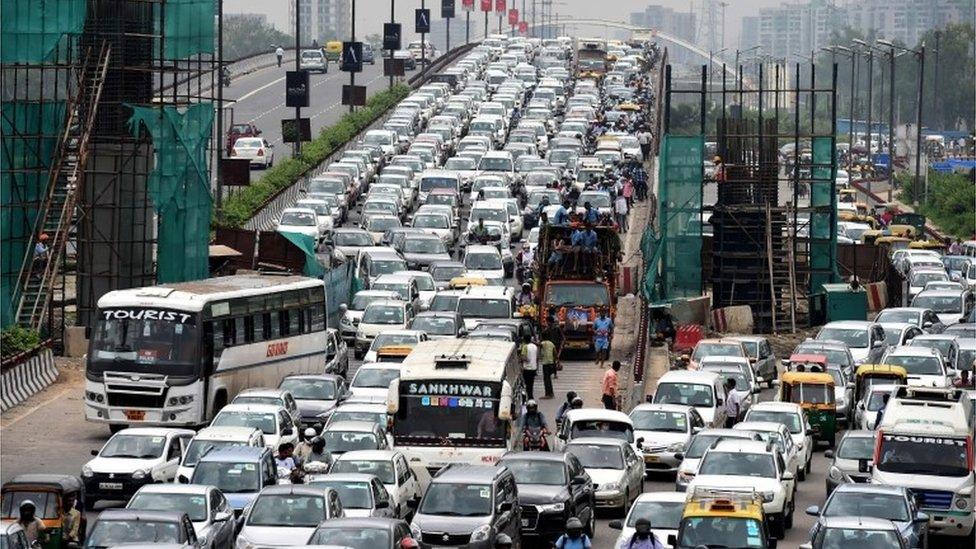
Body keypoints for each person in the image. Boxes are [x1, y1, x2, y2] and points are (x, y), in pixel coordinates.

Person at [520, 336, 539, 400]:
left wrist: (522, 359)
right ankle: (531, 396)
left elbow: (523, 357)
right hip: (533, 368)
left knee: (526, 384)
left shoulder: (525, 346)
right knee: (531, 383)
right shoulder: (535, 347)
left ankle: (527, 397)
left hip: (527, 368)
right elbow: (537, 357)